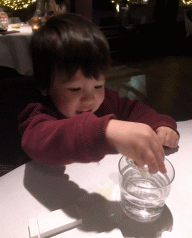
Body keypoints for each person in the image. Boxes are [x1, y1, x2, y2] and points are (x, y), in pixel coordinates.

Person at [18, 13, 179, 174]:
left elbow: (132, 109)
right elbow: (38, 142)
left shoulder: (106, 100)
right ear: (44, 85)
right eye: (75, 89)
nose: (90, 98)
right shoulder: (38, 109)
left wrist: (161, 125)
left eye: (98, 86)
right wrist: (105, 132)